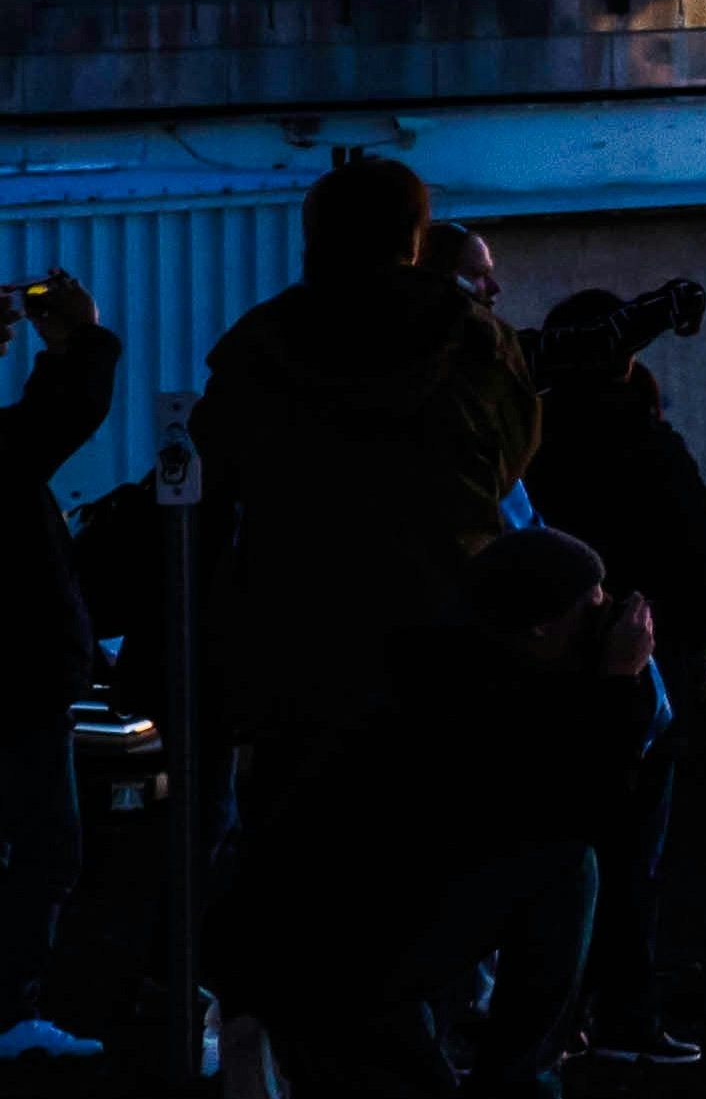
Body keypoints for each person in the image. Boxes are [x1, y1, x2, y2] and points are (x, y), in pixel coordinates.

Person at [224, 523, 658, 1099]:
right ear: (539, 624)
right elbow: (587, 814)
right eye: (592, 607)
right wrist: (619, 681)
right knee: (567, 868)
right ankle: (516, 1097)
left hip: (313, 940)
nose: (609, 620)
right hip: (342, 950)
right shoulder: (484, 695)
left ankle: (384, 1055)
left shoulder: (444, 660)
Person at [198, 157, 546, 761]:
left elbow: (215, 471)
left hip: (299, 642)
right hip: (446, 637)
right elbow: (510, 463)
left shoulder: (258, 346)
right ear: (416, 239)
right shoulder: (477, 342)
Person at [527, 300, 706, 1068]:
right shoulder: (652, 451)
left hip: (544, 680)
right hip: (645, 683)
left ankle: (554, 1014)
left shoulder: (534, 447)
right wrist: (685, 643)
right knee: (633, 854)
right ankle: (623, 1014)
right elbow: (703, 570)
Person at [3, 267, 121, 1062]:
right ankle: (10, 1012)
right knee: (45, 845)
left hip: (25, 677)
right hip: (17, 681)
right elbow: (49, 424)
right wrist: (81, 339)